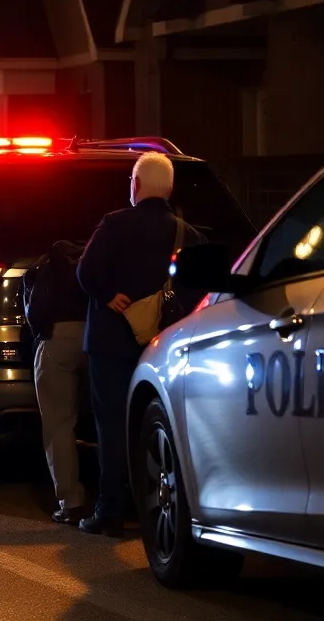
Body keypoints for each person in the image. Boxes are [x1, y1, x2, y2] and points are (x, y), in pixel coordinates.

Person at [75, 152, 204, 537]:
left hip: (111, 342)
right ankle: (155, 508)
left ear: (136, 185)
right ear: (169, 189)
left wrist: (108, 294)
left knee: (112, 425)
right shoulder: (187, 234)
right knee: (160, 425)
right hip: (164, 346)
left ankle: (110, 509)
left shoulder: (114, 224)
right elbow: (200, 289)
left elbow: (85, 271)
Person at [24, 239, 89, 525]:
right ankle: (118, 500)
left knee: (59, 425)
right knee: (111, 422)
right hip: (100, 338)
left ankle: (71, 502)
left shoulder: (48, 263)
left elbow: (36, 312)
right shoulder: (95, 256)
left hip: (57, 340)